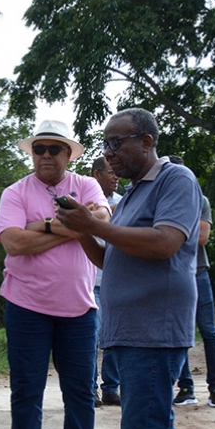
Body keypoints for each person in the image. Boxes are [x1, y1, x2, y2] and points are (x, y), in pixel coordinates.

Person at [57, 108, 200, 429]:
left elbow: (164, 244)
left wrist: (96, 227)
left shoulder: (174, 180)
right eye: (105, 144)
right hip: (131, 329)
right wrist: (81, 229)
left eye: (117, 143)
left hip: (154, 329)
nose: (108, 153)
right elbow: (111, 255)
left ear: (146, 140)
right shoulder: (134, 194)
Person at [0, 121, 120, 429]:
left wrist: (42, 226)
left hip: (80, 308)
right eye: (39, 149)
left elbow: (102, 221)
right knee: (27, 393)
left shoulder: (86, 186)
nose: (46, 156)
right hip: (25, 306)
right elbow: (14, 243)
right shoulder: (15, 192)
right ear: (32, 153)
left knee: (81, 393)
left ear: (69, 154)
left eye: (54, 149)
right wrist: (67, 224)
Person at [168, 156, 215, 409]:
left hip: (198, 272)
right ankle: (186, 387)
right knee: (178, 333)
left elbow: (202, 237)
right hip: (172, 273)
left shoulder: (200, 200)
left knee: (208, 331)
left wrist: (170, 230)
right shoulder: (163, 201)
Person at [90, 156, 122, 407]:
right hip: (91, 280)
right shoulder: (85, 202)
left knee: (113, 337)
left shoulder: (123, 204)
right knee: (93, 335)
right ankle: (91, 389)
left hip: (115, 279)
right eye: (111, 172)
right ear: (97, 174)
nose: (116, 176)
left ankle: (111, 388)